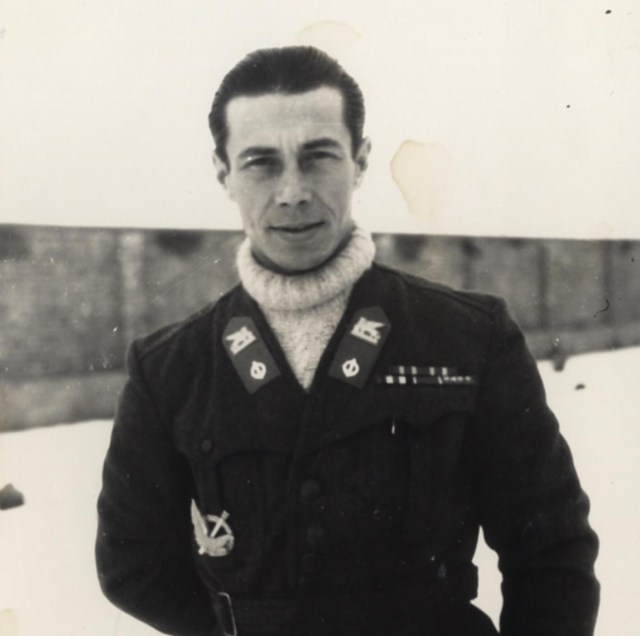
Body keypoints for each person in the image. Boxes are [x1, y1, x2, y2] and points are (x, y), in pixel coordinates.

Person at [96, 46, 599, 636]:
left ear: (360, 161)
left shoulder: (470, 336)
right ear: (222, 172)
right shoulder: (168, 369)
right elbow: (131, 563)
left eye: (318, 157)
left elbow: (551, 550)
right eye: (261, 163)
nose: (292, 191)